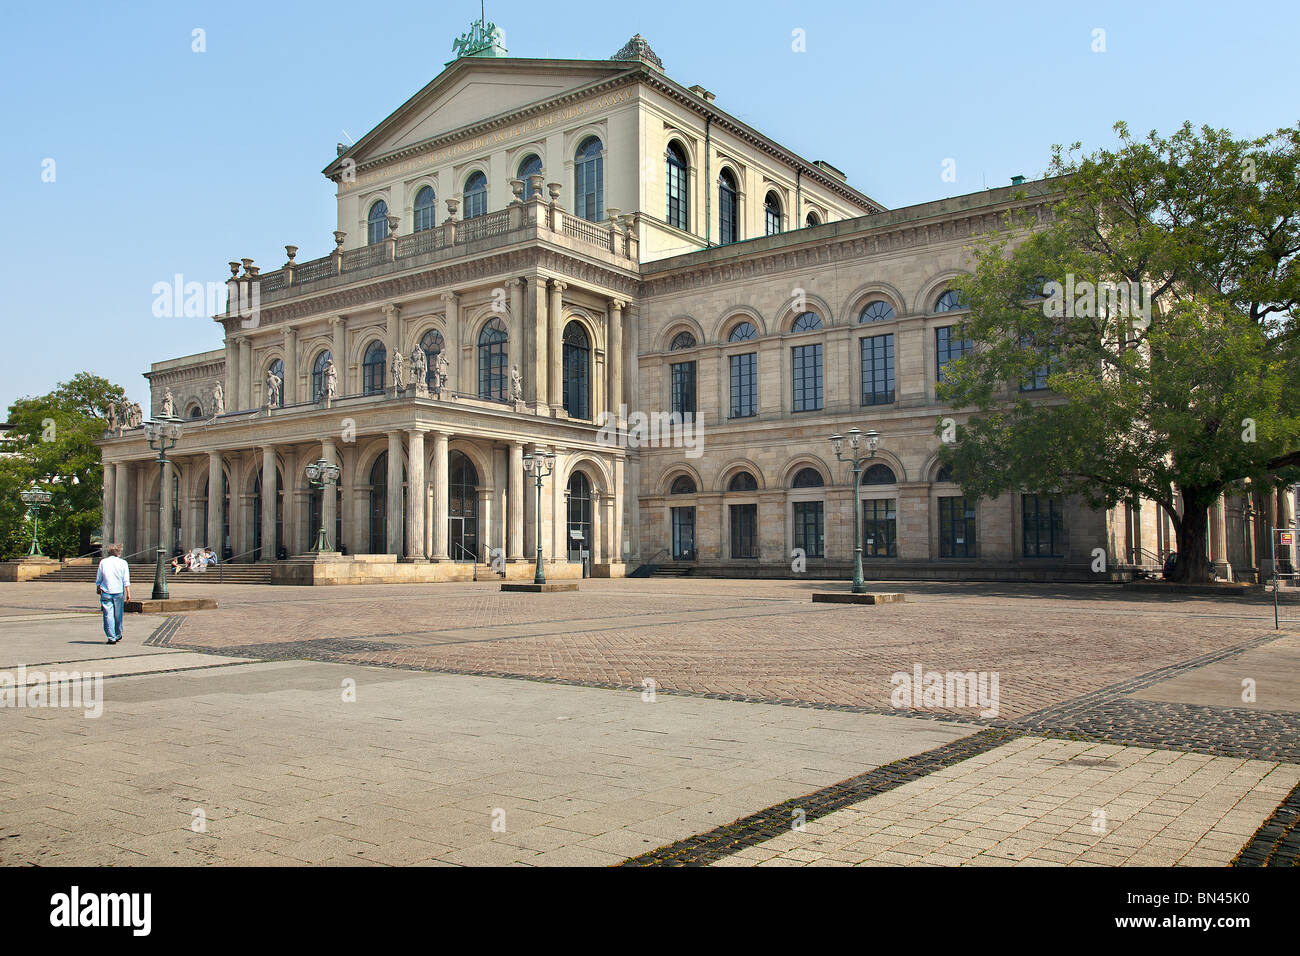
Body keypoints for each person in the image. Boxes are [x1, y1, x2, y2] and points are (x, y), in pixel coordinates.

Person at [95, 543, 131, 645]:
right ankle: (118, 633)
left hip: (106, 591)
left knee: (107, 615)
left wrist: (98, 587)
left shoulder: (103, 562)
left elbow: (99, 577)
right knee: (118, 614)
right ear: (118, 553)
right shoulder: (123, 563)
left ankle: (111, 637)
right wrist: (128, 593)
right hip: (118, 591)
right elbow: (126, 580)